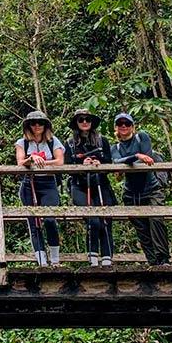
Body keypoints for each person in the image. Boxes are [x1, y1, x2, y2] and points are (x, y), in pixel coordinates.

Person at [110, 112, 171, 265]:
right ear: (116, 128)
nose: (124, 126)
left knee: (156, 220)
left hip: (151, 189)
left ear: (133, 126)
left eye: (127, 123)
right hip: (131, 194)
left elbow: (147, 156)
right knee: (141, 228)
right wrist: (136, 156)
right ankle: (152, 261)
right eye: (120, 124)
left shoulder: (142, 137)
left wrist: (134, 158)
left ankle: (163, 259)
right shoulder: (115, 147)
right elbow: (117, 162)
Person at [65, 109, 115, 266]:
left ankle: (107, 257)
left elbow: (109, 161)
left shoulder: (102, 141)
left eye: (87, 119)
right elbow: (66, 165)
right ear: (77, 123)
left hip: (101, 184)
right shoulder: (70, 144)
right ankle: (92, 256)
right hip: (80, 186)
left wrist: (99, 164)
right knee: (93, 220)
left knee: (106, 220)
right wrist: (81, 165)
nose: (85, 122)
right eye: (81, 119)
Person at [16, 110, 65, 266]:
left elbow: (59, 161)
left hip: (48, 183)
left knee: (50, 219)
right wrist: (31, 158)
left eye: (40, 123)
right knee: (34, 221)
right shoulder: (22, 142)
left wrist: (42, 161)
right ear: (28, 126)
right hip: (29, 184)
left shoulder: (53, 141)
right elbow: (20, 162)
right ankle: (41, 261)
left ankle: (55, 259)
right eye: (33, 123)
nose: (37, 126)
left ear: (45, 125)